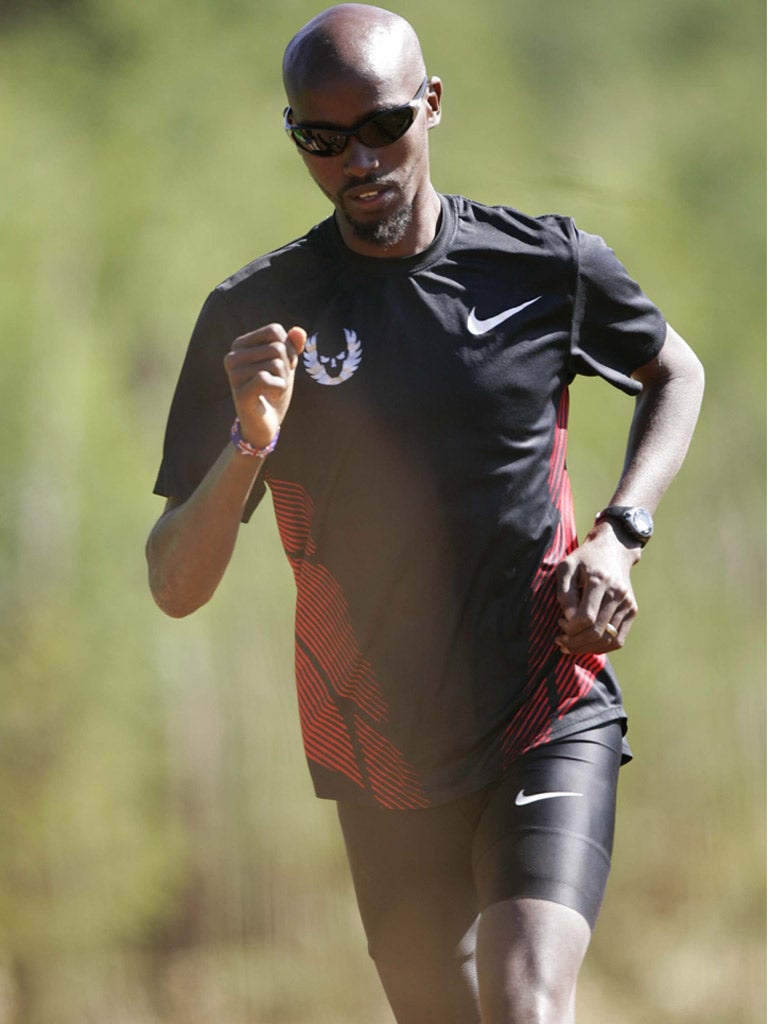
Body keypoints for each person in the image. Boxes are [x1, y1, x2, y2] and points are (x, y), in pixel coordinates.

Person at [145, 5, 704, 1022]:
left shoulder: (545, 266)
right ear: (295, 135)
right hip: (378, 748)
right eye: (323, 139)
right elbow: (175, 584)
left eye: (383, 125)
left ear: (432, 103)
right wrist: (249, 442)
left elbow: (676, 371)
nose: (358, 161)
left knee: (526, 1001)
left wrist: (620, 535)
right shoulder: (256, 316)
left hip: (546, 700)